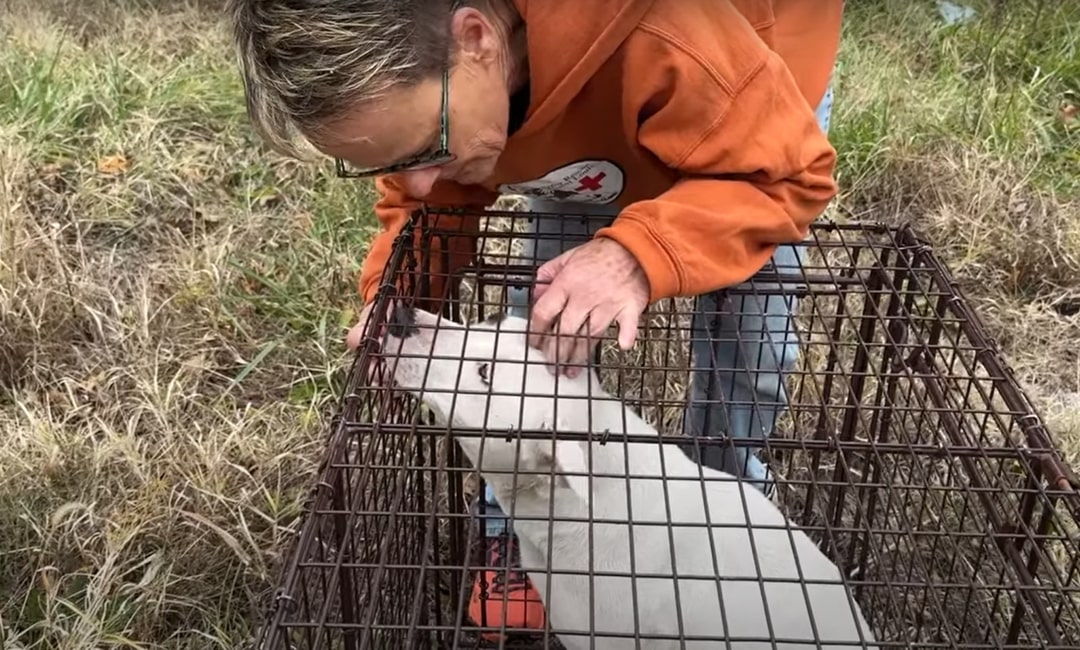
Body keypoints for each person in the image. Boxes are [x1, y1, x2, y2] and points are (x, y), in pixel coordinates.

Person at [228, 0, 844, 639]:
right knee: (542, 331)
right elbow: (432, 196)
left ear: (476, 39)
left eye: (424, 148)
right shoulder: (448, 83)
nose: (416, 184)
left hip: (751, 112)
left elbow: (785, 178)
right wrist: (399, 300)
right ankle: (519, 536)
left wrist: (634, 255)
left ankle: (733, 530)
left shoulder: (673, 38)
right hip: (559, 116)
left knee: (749, 338)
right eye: (387, 164)